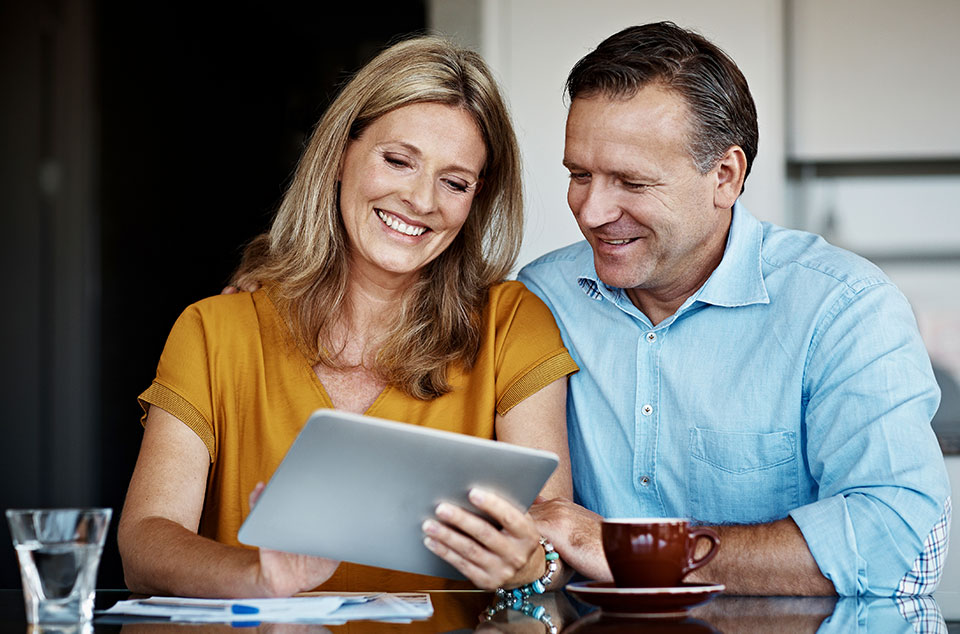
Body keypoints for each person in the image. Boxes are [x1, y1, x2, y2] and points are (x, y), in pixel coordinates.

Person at [118, 35, 578, 598]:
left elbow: (556, 536)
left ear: (476, 198)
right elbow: (144, 542)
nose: (422, 200)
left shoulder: (512, 325)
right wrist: (260, 577)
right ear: (340, 154)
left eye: (454, 182)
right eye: (398, 161)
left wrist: (533, 566)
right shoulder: (214, 331)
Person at [518, 22, 951, 596]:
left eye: (632, 182)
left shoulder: (842, 307)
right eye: (579, 175)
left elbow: (897, 539)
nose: (592, 211)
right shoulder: (541, 297)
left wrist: (635, 552)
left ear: (725, 177)